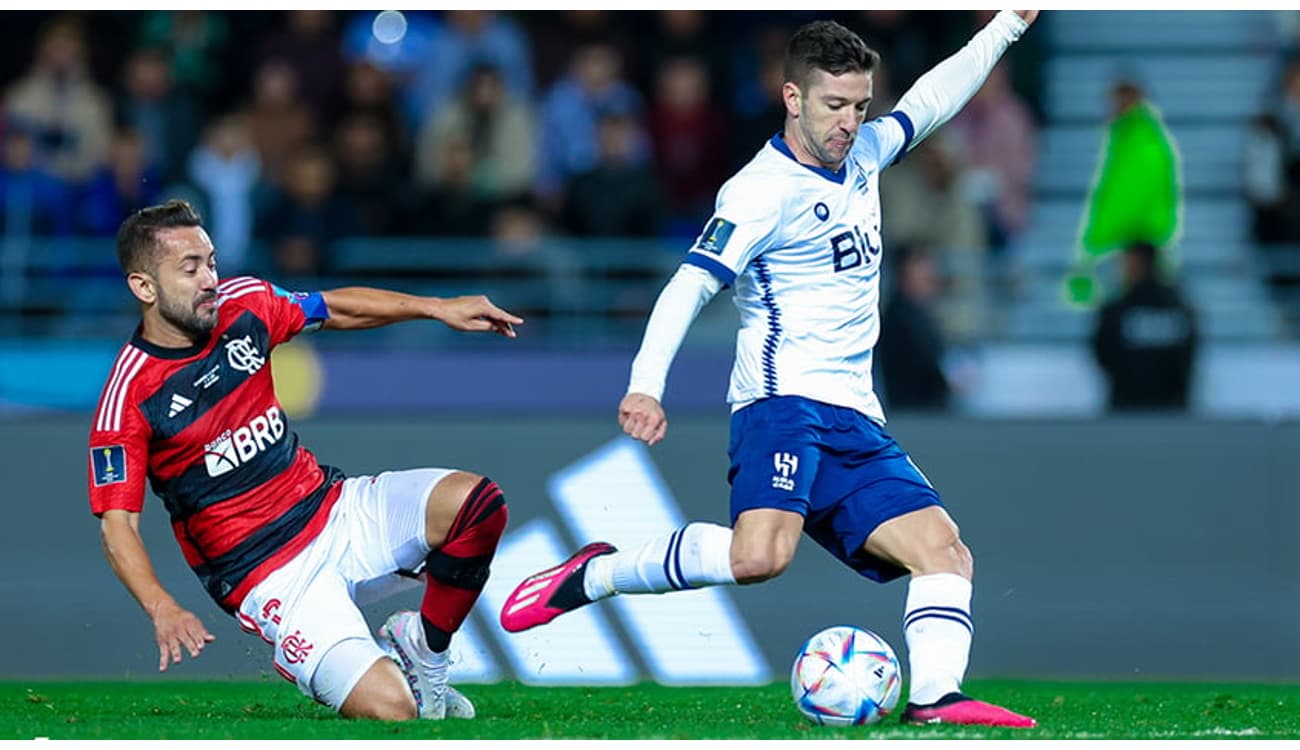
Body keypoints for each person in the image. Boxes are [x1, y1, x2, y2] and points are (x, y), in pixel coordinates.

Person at [500, 13, 1039, 728]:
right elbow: (688, 285)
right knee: (760, 558)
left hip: (855, 413)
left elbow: (936, 97)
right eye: (833, 105)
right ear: (793, 98)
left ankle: (935, 700)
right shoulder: (759, 192)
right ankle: (595, 571)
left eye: (859, 106)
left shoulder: (866, 155)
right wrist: (645, 384)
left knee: (945, 551)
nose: (850, 122)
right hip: (782, 402)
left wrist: (1006, 24)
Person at [88, 200, 522, 721]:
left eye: (211, 261)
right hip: (270, 576)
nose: (209, 279)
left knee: (478, 504)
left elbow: (332, 307)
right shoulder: (129, 396)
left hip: (333, 508)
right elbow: (118, 528)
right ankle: (378, 675)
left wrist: (435, 307)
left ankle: (425, 651)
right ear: (144, 288)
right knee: (395, 712)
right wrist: (161, 605)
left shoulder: (244, 303)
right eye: (190, 268)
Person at [1090, 242, 1198, 411]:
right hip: (1172, 408)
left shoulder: (1117, 309)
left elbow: (1101, 352)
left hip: (1126, 406)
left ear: (1137, 263)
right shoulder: (1180, 307)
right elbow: (1189, 356)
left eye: (1125, 262)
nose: (1120, 269)